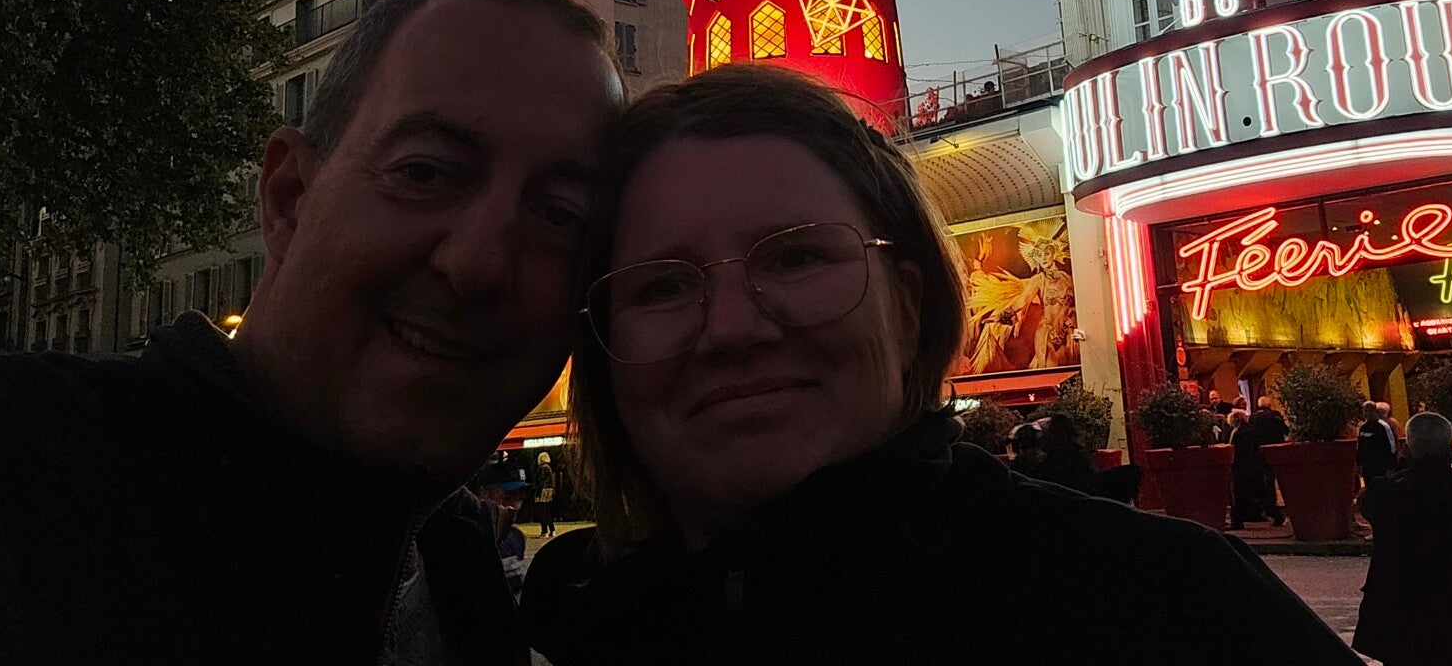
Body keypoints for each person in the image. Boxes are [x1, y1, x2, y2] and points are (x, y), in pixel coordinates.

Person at [0, 0, 624, 666]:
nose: (478, 264)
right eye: (425, 173)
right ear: (289, 198)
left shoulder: (461, 572)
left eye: (561, 216)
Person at [520, 66, 1357, 665]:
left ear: (908, 301)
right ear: (599, 341)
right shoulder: (560, 625)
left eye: (797, 257)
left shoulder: (1167, 604)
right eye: (662, 286)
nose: (732, 329)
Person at [1352, 413, 1452, 666]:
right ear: (1450, 453)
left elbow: (1367, 502)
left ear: (1407, 451)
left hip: (1400, 622)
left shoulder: (1384, 494)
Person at [1229, 408, 1285, 529]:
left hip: (1242, 468)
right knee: (1261, 493)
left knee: (1239, 496)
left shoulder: (1238, 433)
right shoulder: (1251, 430)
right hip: (1254, 467)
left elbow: (1237, 451)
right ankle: (1276, 515)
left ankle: (1237, 522)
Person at [1357, 399, 1397, 486]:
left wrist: (1390, 465)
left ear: (1375, 411)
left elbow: (1392, 446)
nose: (1368, 413)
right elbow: (1360, 446)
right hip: (1367, 467)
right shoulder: (1363, 428)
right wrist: (1359, 463)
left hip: (1380, 466)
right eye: (1365, 411)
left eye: (1370, 410)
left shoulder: (1383, 426)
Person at [534, 450, 560, 538]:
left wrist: (537, 492)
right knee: (547, 511)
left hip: (543, 491)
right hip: (549, 490)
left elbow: (540, 481)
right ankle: (552, 530)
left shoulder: (542, 468)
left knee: (543, 512)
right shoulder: (549, 468)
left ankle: (544, 531)